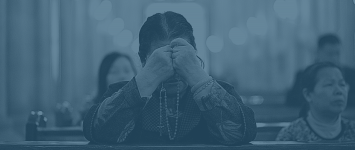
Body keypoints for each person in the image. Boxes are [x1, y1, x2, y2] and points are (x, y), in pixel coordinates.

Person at [83, 11, 256, 145]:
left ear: (193, 55)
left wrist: (197, 76)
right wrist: (147, 79)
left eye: (182, 58)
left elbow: (242, 132)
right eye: (161, 60)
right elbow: (98, 133)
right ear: (144, 60)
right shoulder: (119, 92)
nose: (173, 70)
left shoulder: (222, 91)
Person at [277, 62, 355, 141]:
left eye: (342, 84)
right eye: (329, 84)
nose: (339, 91)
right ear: (308, 95)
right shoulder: (290, 136)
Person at [285, 33, 355, 107]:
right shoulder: (304, 74)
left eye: (337, 53)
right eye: (330, 54)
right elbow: (293, 100)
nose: (335, 58)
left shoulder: (349, 73)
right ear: (318, 52)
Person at [78, 52, 137, 123]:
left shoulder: (144, 107)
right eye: (114, 72)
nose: (122, 76)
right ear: (103, 78)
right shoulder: (93, 112)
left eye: (127, 71)